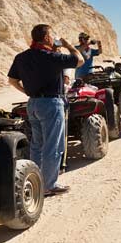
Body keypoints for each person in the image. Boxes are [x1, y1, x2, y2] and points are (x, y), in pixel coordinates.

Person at [8, 24, 84, 196]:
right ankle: (49, 185)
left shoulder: (21, 57)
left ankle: (36, 180)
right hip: (51, 103)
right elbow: (79, 60)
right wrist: (67, 44)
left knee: (37, 145)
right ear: (47, 38)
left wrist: (26, 91)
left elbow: (12, 80)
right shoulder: (52, 56)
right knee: (53, 146)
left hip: (33, 103)